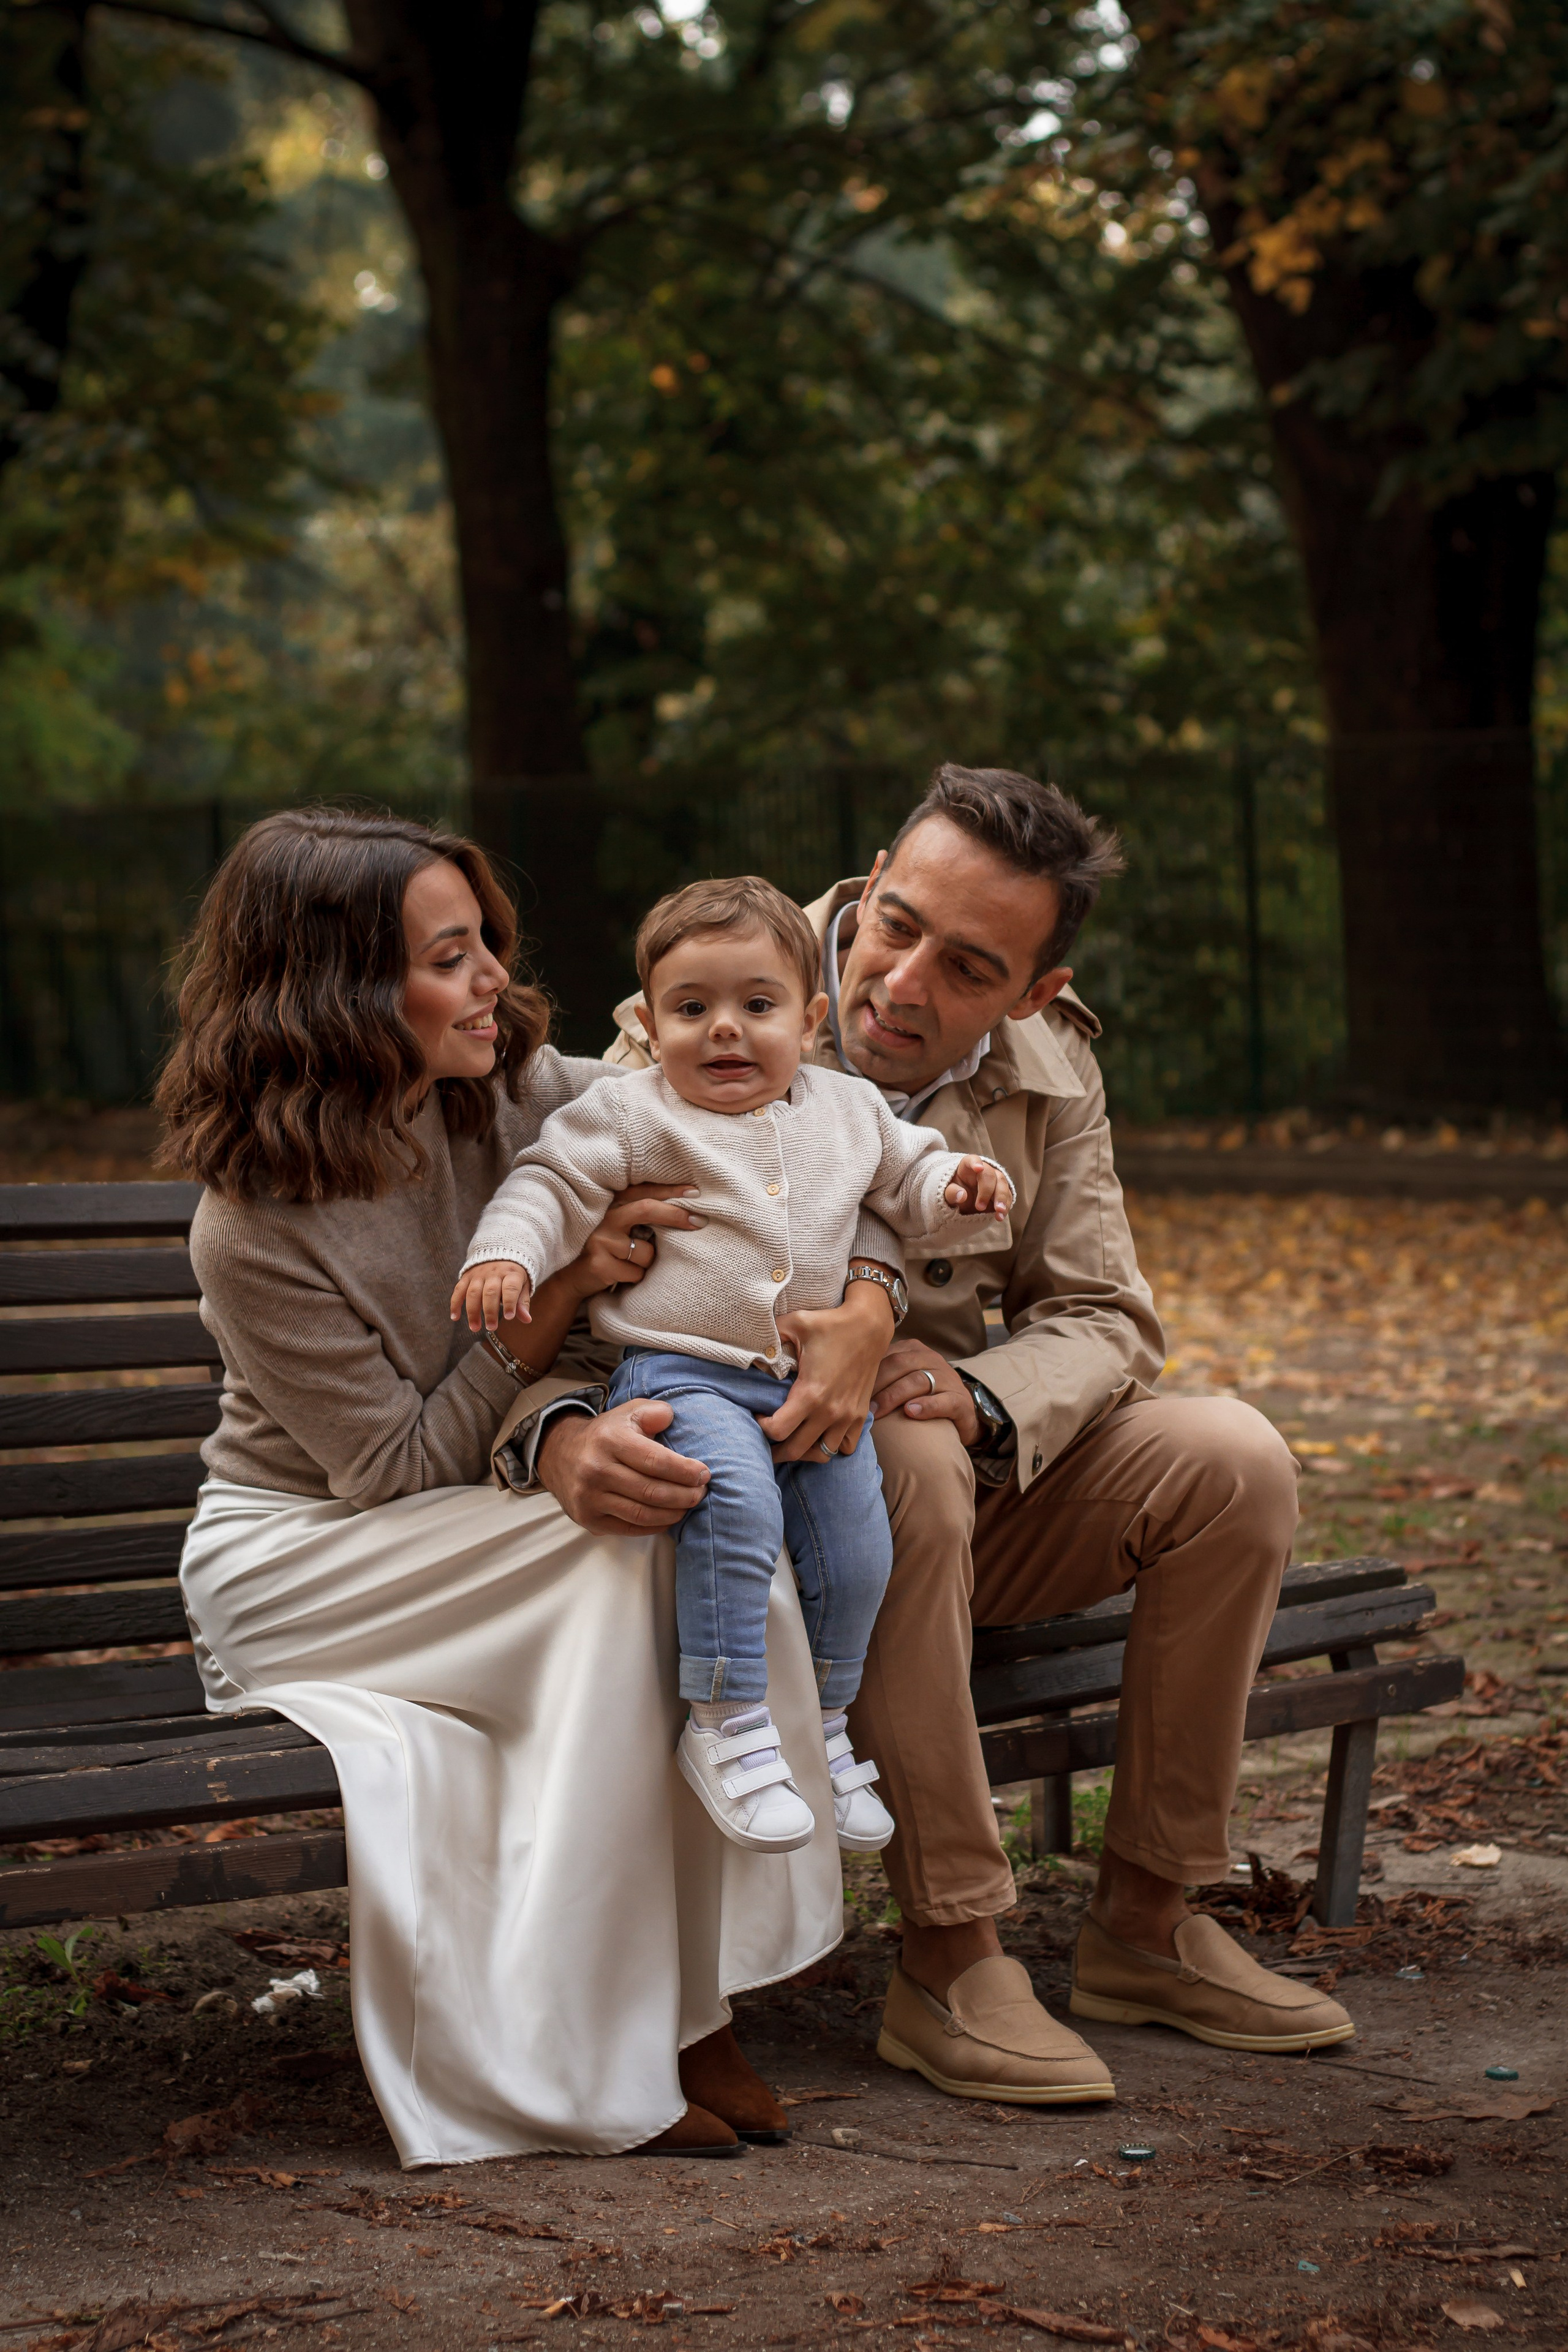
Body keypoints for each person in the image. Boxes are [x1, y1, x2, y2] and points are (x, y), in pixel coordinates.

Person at [521, 763, 1352, 2106]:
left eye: (968, 967)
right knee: (893, 1458)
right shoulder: (699, 1015)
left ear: (1028, 991)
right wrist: (562, 1433)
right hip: (757, 1522)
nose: (902, 983)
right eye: (892, 925)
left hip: (970, 1475)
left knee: (1232, 1462)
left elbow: (1099, 1316)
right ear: (863, 883)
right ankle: (952, 1952)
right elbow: (552, 1321)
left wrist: (973, 1394)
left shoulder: (1047, 1063)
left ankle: (1146, 1923)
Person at [157, 807, 888, 2168]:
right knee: (617, 1554)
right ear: (342, 991)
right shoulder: (252, 1220)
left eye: (486, 941)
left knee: (660, 1526)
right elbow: (385, 1464)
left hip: (457, 1509)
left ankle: (684, 2002)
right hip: (310, 1550)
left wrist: (873, 1308)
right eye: (452, 956)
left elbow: (790, 1175)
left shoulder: (531, 1094)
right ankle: (606, 2038)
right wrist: (563, 1297)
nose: (495, 977)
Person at [451, 875, 1012, 1860]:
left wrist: (959, 1184)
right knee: (734, 1504)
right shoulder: (632, 1114)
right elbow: (546, 1180)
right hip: (682, 1373)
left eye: (757, 1007)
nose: (724, 1031)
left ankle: (827, 1728)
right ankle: (727, 1723)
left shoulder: (851, 1107)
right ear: (646, 1022)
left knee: (858, 1544)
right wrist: (510, 1255)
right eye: (692, 1009)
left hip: (803, 1390)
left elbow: (911, 1177)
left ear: (810, 1018)